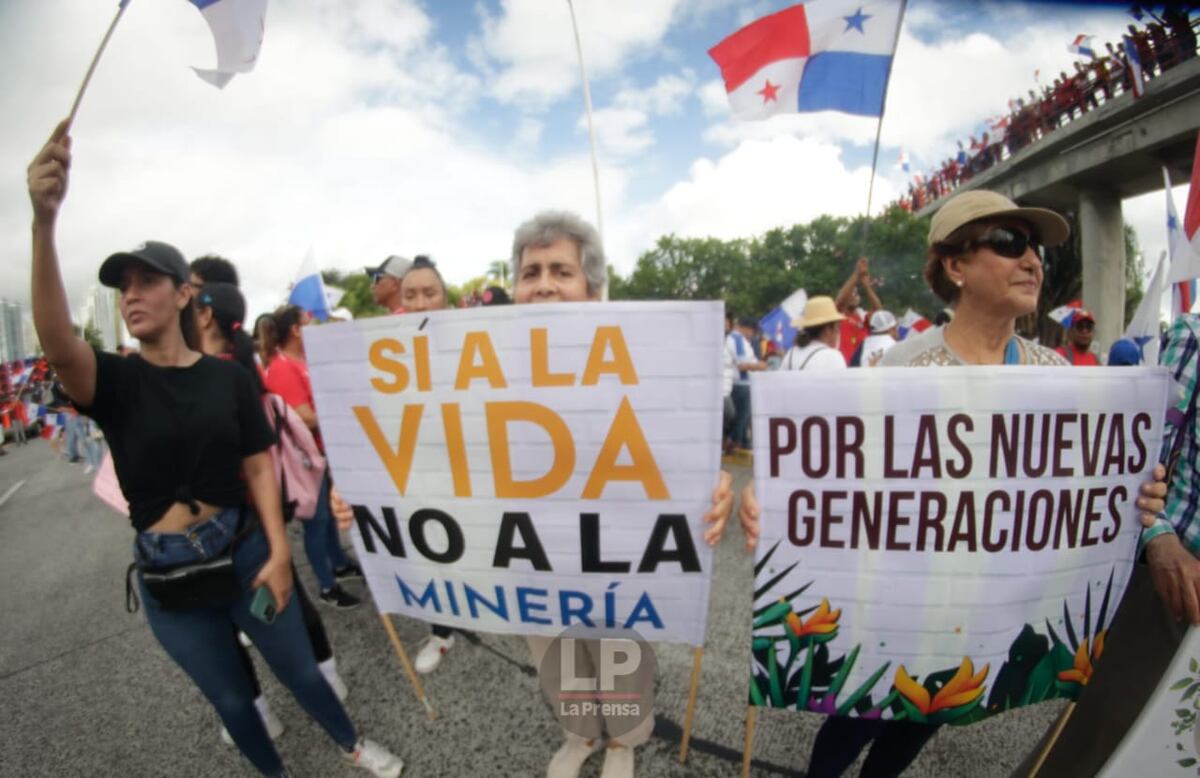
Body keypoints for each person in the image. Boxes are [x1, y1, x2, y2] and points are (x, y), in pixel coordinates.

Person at [738, 188, 1169, 778]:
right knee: (861, 714)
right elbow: (835, 476)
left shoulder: (1057, 376)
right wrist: (774, 499)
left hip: (987, 616)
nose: (1032, 261)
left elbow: (1082, 495)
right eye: (1009, 242)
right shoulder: (903, 369)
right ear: (956, 265)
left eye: (1035, 248)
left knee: (928, 716)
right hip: (904, 606)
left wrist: (1136, 497)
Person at [27, 120, 402, 778]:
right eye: (124, 288)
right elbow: (59, 340)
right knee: (233, 700)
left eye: (147, 282)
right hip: (169, 579)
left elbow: (259, 464)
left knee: (299, 673)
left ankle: (350, 743)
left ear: (183, 294)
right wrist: (43, 224)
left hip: (245, 552)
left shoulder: (228, 378)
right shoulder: (113, 380)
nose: (132, 295)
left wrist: (281, 550)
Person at [509, 210, 734, 778]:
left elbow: (681, 442)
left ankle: (622, 741)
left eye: (561, 270)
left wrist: (713, 483)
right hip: (531, 547)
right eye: (531, 271)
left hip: (617, 548)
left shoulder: (641, 359)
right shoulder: (480, 367)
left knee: (617, 647)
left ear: (592, 290)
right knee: (554, 649)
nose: (543, 285)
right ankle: (579, 734)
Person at [196, 281, 353, 742]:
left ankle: (302, 692)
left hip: (241, 522)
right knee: (270, 611)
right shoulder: (227, 369)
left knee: (273, 610)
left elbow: (255, 458)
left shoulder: (224, 376)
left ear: (204, 313)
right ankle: (293, 692)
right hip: (237, 524)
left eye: (188, 292)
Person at [263, 305, 363, 609]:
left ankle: (339, 562)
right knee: (317, 521)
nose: (314, 325)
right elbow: (304, 417)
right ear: (295, 330)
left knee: (330, 514)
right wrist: (343, 410)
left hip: (324, 453)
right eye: (308, 321)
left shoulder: (304, 360)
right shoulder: (282, 367)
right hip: (307, 462)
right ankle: (326, 584)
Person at [393, 256, 463, 673]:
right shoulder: (387, 351)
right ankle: (442, 631)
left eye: (429, 294)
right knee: (433, 548)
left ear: (445, 298)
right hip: (422, 471)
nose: (420, 304)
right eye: (410, 295)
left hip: (475, 468)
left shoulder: (479, 340)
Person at [727, 316, 767, 451]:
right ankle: (736, 443)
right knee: (742, 417)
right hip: (741, 384)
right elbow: (742, 365)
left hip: (739, 383)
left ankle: (740, 442)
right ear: (746, 328)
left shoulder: (737, 339)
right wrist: (760, 366)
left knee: (742, 417)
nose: (752, 335)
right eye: (752, 331)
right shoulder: (737, 340)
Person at [834, 257, 883, 364]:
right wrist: (856, 274)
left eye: (857, 293)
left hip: (861, 370)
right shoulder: (838, 314)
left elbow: (879, 312)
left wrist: (867, 287)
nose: (855, 295)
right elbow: (840, 300)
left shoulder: (861, 315)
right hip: (843, 368)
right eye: (852, 292)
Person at [780, 296, 848, 371]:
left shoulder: (790, 354)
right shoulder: (833, 356)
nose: (838, 332)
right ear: (827, 330)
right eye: (837, 327)